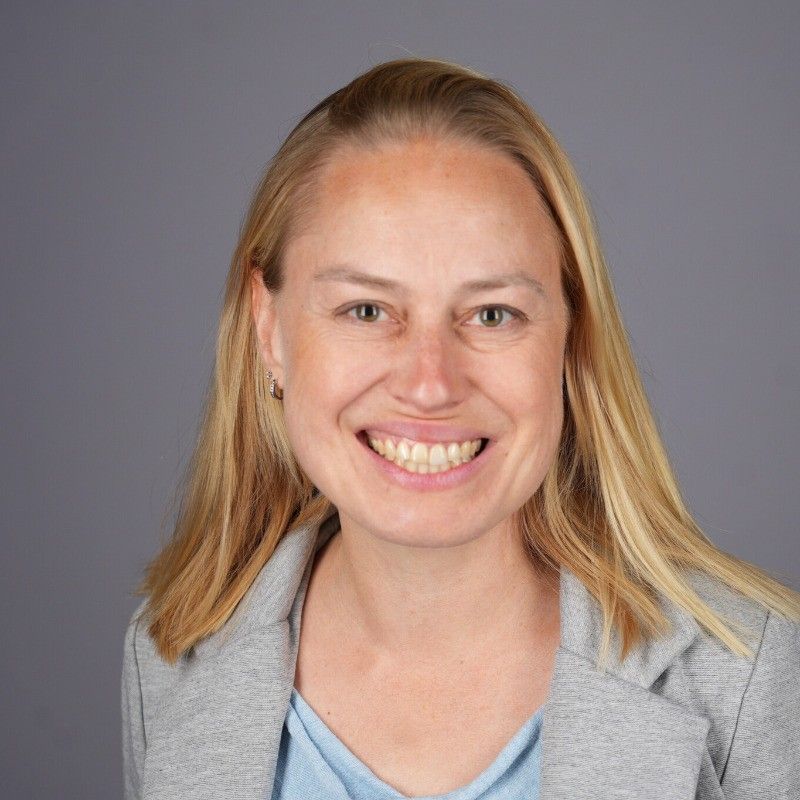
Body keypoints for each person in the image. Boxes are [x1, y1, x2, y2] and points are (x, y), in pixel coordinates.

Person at [121, 58, 800, 800]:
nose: (430, 383)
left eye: (492, 314)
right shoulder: (169, 660)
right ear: (268, 330)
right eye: (367, 311)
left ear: (569, 342)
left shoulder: (749, 675)